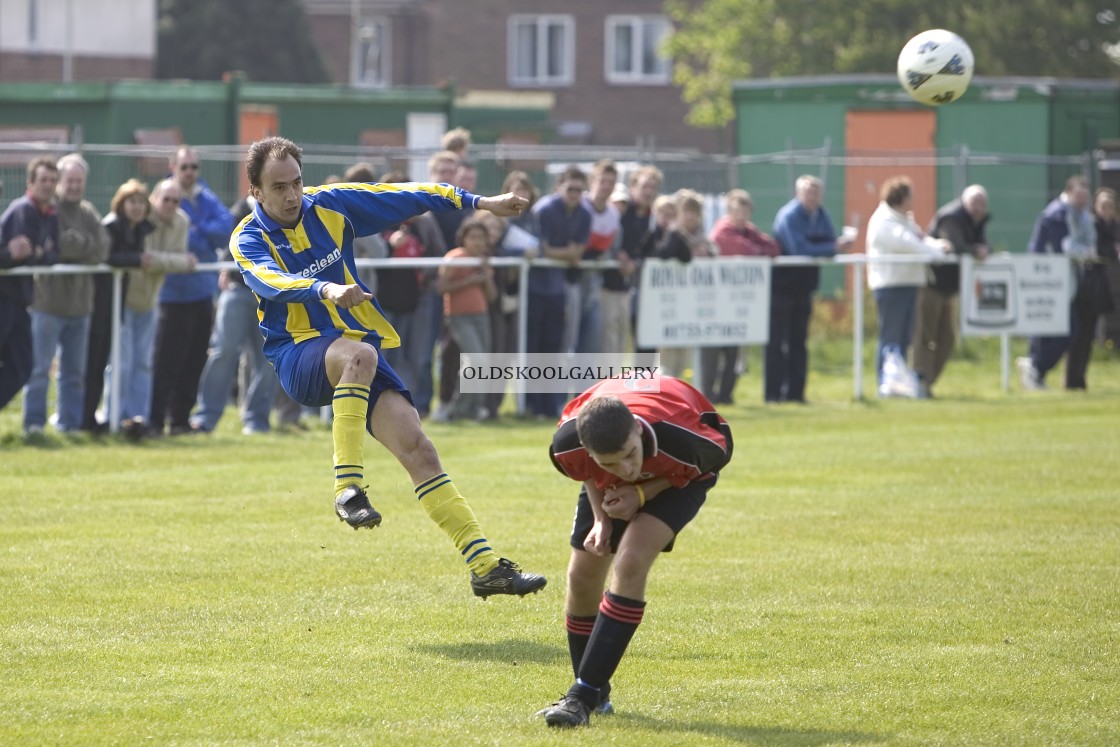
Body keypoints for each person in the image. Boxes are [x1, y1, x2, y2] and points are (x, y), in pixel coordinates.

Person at [229, 136, 545, 598]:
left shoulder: (331, 205)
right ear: (255, 191)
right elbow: (271, 280)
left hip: (353, 354)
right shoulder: (248, 237)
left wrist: (482, 202)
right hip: (299, 356)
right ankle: (347, 488)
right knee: (360, 354)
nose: (292, 194)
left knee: (420, 449)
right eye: (278, 187)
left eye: (296, 182)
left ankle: (485, 566)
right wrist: (326, 291)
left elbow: (409, 195)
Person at [537, 375, 733, 727]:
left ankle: (581, 696)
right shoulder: (566, 445)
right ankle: (598, 696)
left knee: (629, 561)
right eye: (611, 463)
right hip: (610, 469)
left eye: (631, 455)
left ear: (638, 434)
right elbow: (585, 470)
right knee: (581, 575)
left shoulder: (682, 438)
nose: (626, 470)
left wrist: (642, 493)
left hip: (681, 476)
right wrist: (601, 520)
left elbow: (712, 461)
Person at [150, 147, 233, 435]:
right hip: (171, 294)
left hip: (202, 292)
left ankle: (181, 420)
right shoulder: (165, 195)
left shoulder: (205, 196)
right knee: (166, 360)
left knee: (195, 358)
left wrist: (196, 231)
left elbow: (226, 229)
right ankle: (155, 420)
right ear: (173, 166)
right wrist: (201, 234)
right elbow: (183, 242)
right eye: (184, 166)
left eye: (194, 167)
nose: (189, 172)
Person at [23, 154, 106, 435]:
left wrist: (75, 243)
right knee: (39, 369)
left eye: (78, 181)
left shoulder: (89, 212)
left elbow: (102, 250)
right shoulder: (49, 211)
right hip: (47, 303)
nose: (73, 186)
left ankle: (69, 424)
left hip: (81, 306)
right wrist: (82, 245)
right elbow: (55, 245)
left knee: (74, 374)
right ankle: (33, 424)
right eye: (68, 180)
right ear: (60, 181)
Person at [768, 175, 853, 403]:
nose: (812, 196)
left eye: (816, 192)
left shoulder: (821, 215)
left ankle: (796, 394)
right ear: (798, 193)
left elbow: (826, 243)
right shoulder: (789, 216)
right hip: (782, 288)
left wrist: (829, 247)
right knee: (778, 343)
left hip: (803, 288)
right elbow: (800, 248)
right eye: (808, 191)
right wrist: (831, 247)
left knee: (798, 342)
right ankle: (773, 395)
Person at [865, 176, 950, 391]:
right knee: (891, 337)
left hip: (909, 284)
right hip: (891, 287)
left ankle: (898, 382)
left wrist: (937, 245)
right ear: (901, 198)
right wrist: (938, 253)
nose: (913, 200)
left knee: (905, 338)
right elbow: (911, 245)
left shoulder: (904, 219)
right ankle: (885, 383)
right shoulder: (884, 221)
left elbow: (920, 239)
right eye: (910, 196)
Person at [1018, 175, 1096, 390]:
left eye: (1085, 197)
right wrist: (1085, 253)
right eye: (1079, 196)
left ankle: (1036, 370)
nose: (1082, 201)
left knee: (1055, 329)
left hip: (1059, 279)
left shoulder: (1078, 214)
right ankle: (1035, 367)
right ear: (1069, 192)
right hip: (1048, 279)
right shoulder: (1058, 214)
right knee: (1065, 330)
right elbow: (1065, 246)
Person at [915, 185, 990, 398]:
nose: (979, 208)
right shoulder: (951, 217)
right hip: (931, 285)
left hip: (949, 289)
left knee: (948, 338)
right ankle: (919, 383)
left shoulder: (977, 221)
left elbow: (985, 244)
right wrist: (977, 250)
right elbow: (954, 244)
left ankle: (927, 382)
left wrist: (984, 249)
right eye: (975, 203)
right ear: (965, 202)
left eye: (982, 204)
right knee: (925, 336)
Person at [528, 165, 591, 418]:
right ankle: (532, 405)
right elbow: (542, 249)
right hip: (535, 287)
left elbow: (580, 252)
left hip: (557, 289)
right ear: (559, 186)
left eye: (579, 189)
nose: (574, 193)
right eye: (570, 188)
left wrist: (561, 252)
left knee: (554, 347)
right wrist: (567, 253)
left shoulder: (584, 215)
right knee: (533, 348)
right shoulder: (543, 210)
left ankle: (550, 404)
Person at [704, 189, 777, 404]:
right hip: (715, 301)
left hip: (735, 302)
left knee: (733, 351)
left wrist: (755, 249)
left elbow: (773, 247)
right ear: (729, 212)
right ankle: (708, 394)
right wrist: (756, 251)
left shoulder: (748, 230)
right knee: (713, 350)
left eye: (745, 212)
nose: (741, 217)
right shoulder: (722, 230)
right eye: (737, 212)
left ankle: (726, 395)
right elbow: (741, 248)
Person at [0, 157, 59, 418]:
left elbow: (52, 255)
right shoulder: (23, 209)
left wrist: (37, 253)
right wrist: (35, 253)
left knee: (23, 367)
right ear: (30, 183)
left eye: (52, 180)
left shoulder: (50, 214)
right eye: (42, 180)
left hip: (19, 302)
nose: (48, 185)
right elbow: (23, 253)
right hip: (4, 299)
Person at [435, 217, 496, 420]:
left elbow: (492, 296)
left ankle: (473, 409)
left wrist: (485, 275)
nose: (478, 242)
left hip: (481, 315)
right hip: (459, 316)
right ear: (464, 239)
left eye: (481, 238)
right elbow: (441, 287)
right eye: (473, 237)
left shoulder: (483, 259)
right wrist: (469, 281)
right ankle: (457, 408)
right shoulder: (455, 257)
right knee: (475, 359)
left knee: (482, 363)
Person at [1065, 187, 1118, 389]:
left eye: (1109, 206)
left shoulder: (1111, 226)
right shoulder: (1093, 225)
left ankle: (1080, 379)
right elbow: (1103, 250)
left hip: (1097, 286)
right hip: (1086, 285)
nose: (1106, 209)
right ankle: (1072, 380)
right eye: (1102, 205)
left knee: (1088, 336)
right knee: (1079, 335)